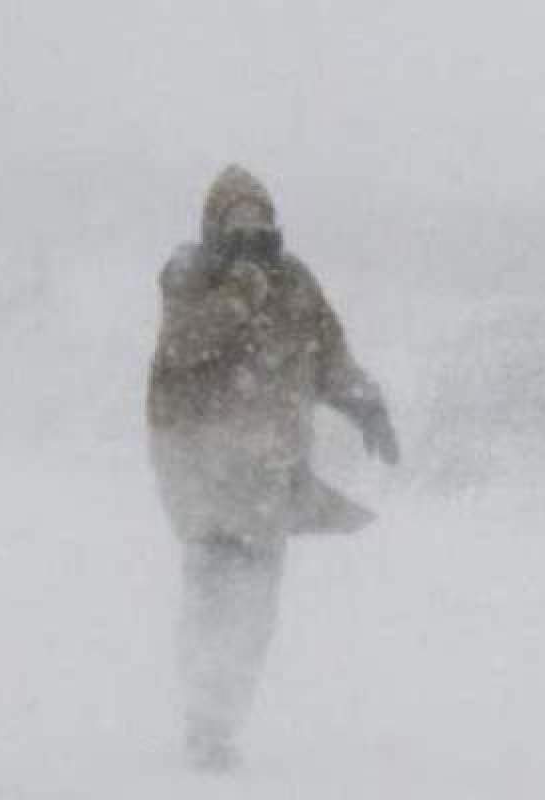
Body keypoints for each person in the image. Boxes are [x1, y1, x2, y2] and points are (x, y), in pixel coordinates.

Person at [147, 165, 400, 770]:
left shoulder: (295, 282)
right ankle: (204, 721)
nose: (251, 231)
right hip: (204, 478)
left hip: (268, 480)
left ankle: (226, 717)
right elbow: (183, 345)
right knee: (210, 600)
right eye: (236, 221)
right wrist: (239, 289)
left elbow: (329, 358)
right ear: (212, 224)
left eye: (260, 218)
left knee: (255, 611)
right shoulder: (190, 274)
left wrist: (366, 404)